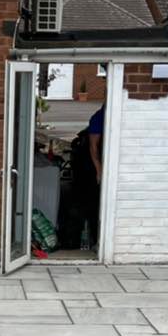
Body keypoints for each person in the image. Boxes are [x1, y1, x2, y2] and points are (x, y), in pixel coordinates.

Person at [62, 105, 104, 249]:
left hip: (91, 167)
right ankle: (76, 241)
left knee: (92, 206)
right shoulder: (99, 118)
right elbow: (93, 146)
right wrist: (99, 170)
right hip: (88, 169)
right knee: (89, 205)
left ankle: (93, 240)